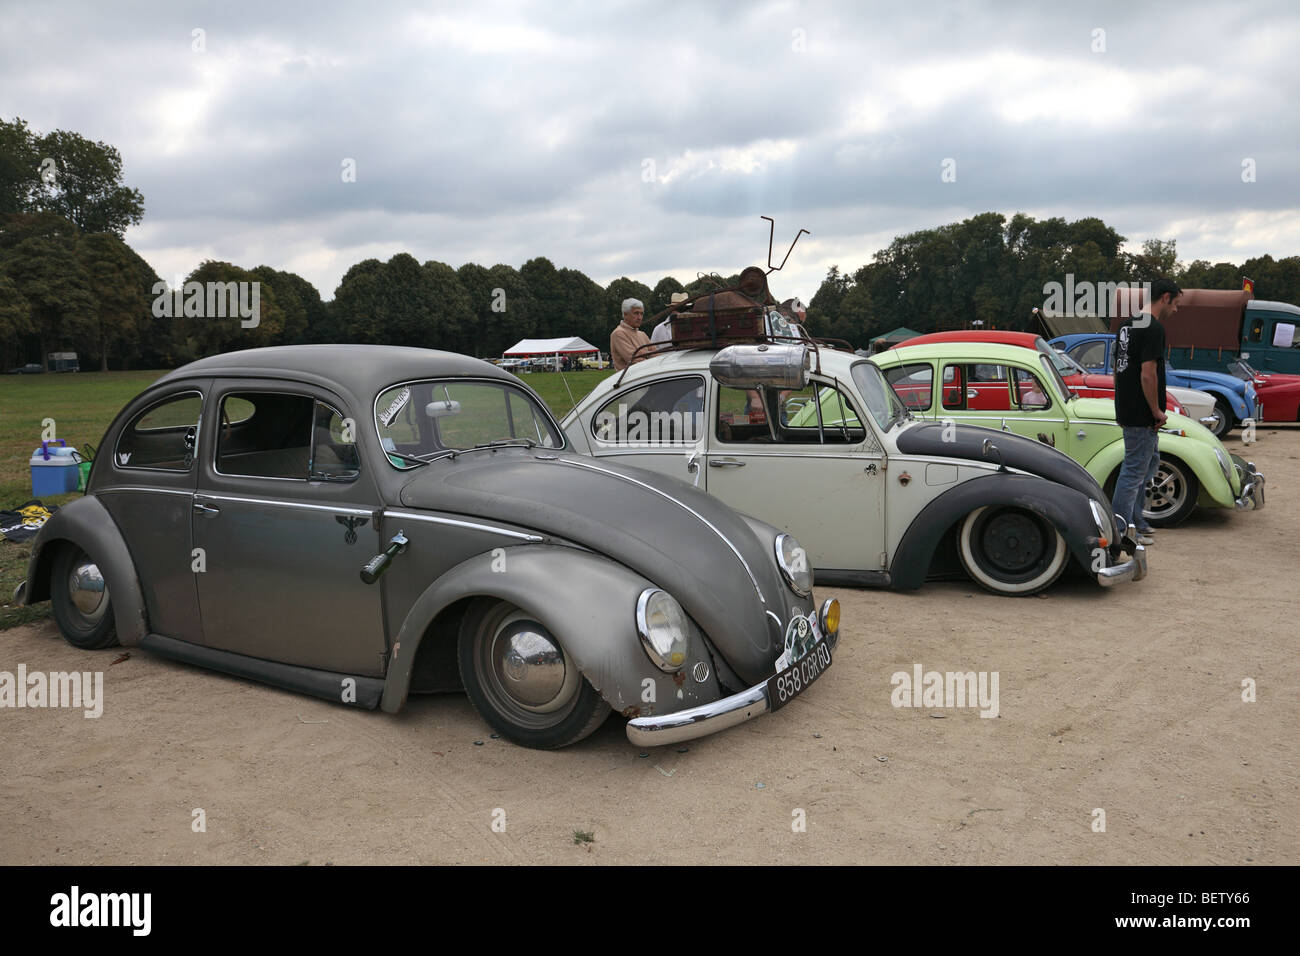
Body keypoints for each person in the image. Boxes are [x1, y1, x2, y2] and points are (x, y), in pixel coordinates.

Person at [1112, 278, 1180, 545]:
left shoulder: (1127, 325)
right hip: (1142, 412)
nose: (1176, 310)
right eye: (1176, 304)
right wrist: (1155, 411)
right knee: (1133, 471)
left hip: (1127, 406)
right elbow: (1147, 374)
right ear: (1165, 298)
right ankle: (1120, 530)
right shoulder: (1154, 328)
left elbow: (1118, 367)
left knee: (1148, 464)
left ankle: (1136, 521)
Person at [610, 298, 650, 370]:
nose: (639, 317)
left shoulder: (642, 334)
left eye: (641, 314)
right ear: (625, 314)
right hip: (630, 380)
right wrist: (648, 355)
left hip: (645, 376)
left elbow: (657, 355)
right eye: (636, 313)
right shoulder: (618, 333)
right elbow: (634, 360)